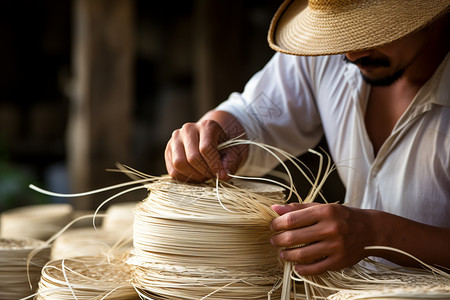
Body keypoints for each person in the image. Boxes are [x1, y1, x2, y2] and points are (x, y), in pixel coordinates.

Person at [164, 0, 450, 276]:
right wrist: (218, 137)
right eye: (340, 30)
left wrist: (378, 233)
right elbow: (255, 115)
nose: (349, 55)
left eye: (370, 30)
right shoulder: (332, 51)